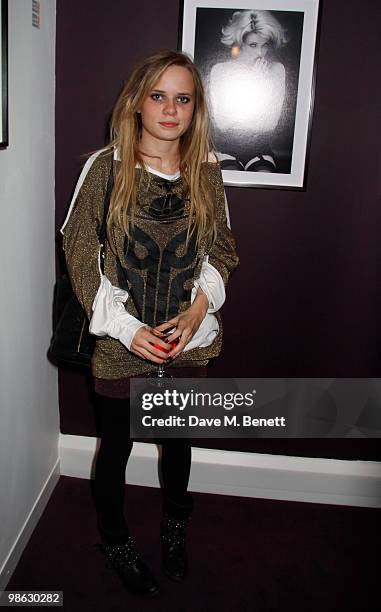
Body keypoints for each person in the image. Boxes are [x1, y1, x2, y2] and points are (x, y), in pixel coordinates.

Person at [60, 50, 239, 597]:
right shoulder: (106, 167)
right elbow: (78, 249)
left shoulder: (207, 172)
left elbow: (222, 252)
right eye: (157, 96)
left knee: (177, 441)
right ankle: (115, 541)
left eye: (182, 98)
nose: (169, 109)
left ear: (196, 108)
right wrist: (124, 326)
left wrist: (197, 309)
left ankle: (173, 526)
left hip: (185, 339)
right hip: (120, 341)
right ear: (137, 102)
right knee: (115, 448)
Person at [208, 9, 288, 172]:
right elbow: (222, 124)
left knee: (264, 176)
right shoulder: (220, 70)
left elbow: (270, 125)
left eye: (265, 45)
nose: (260, 53)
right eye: (253, 45)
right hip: (226, 150)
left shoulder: (277, 70)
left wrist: (262, 83)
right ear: (239, 43)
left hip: (261, 150)